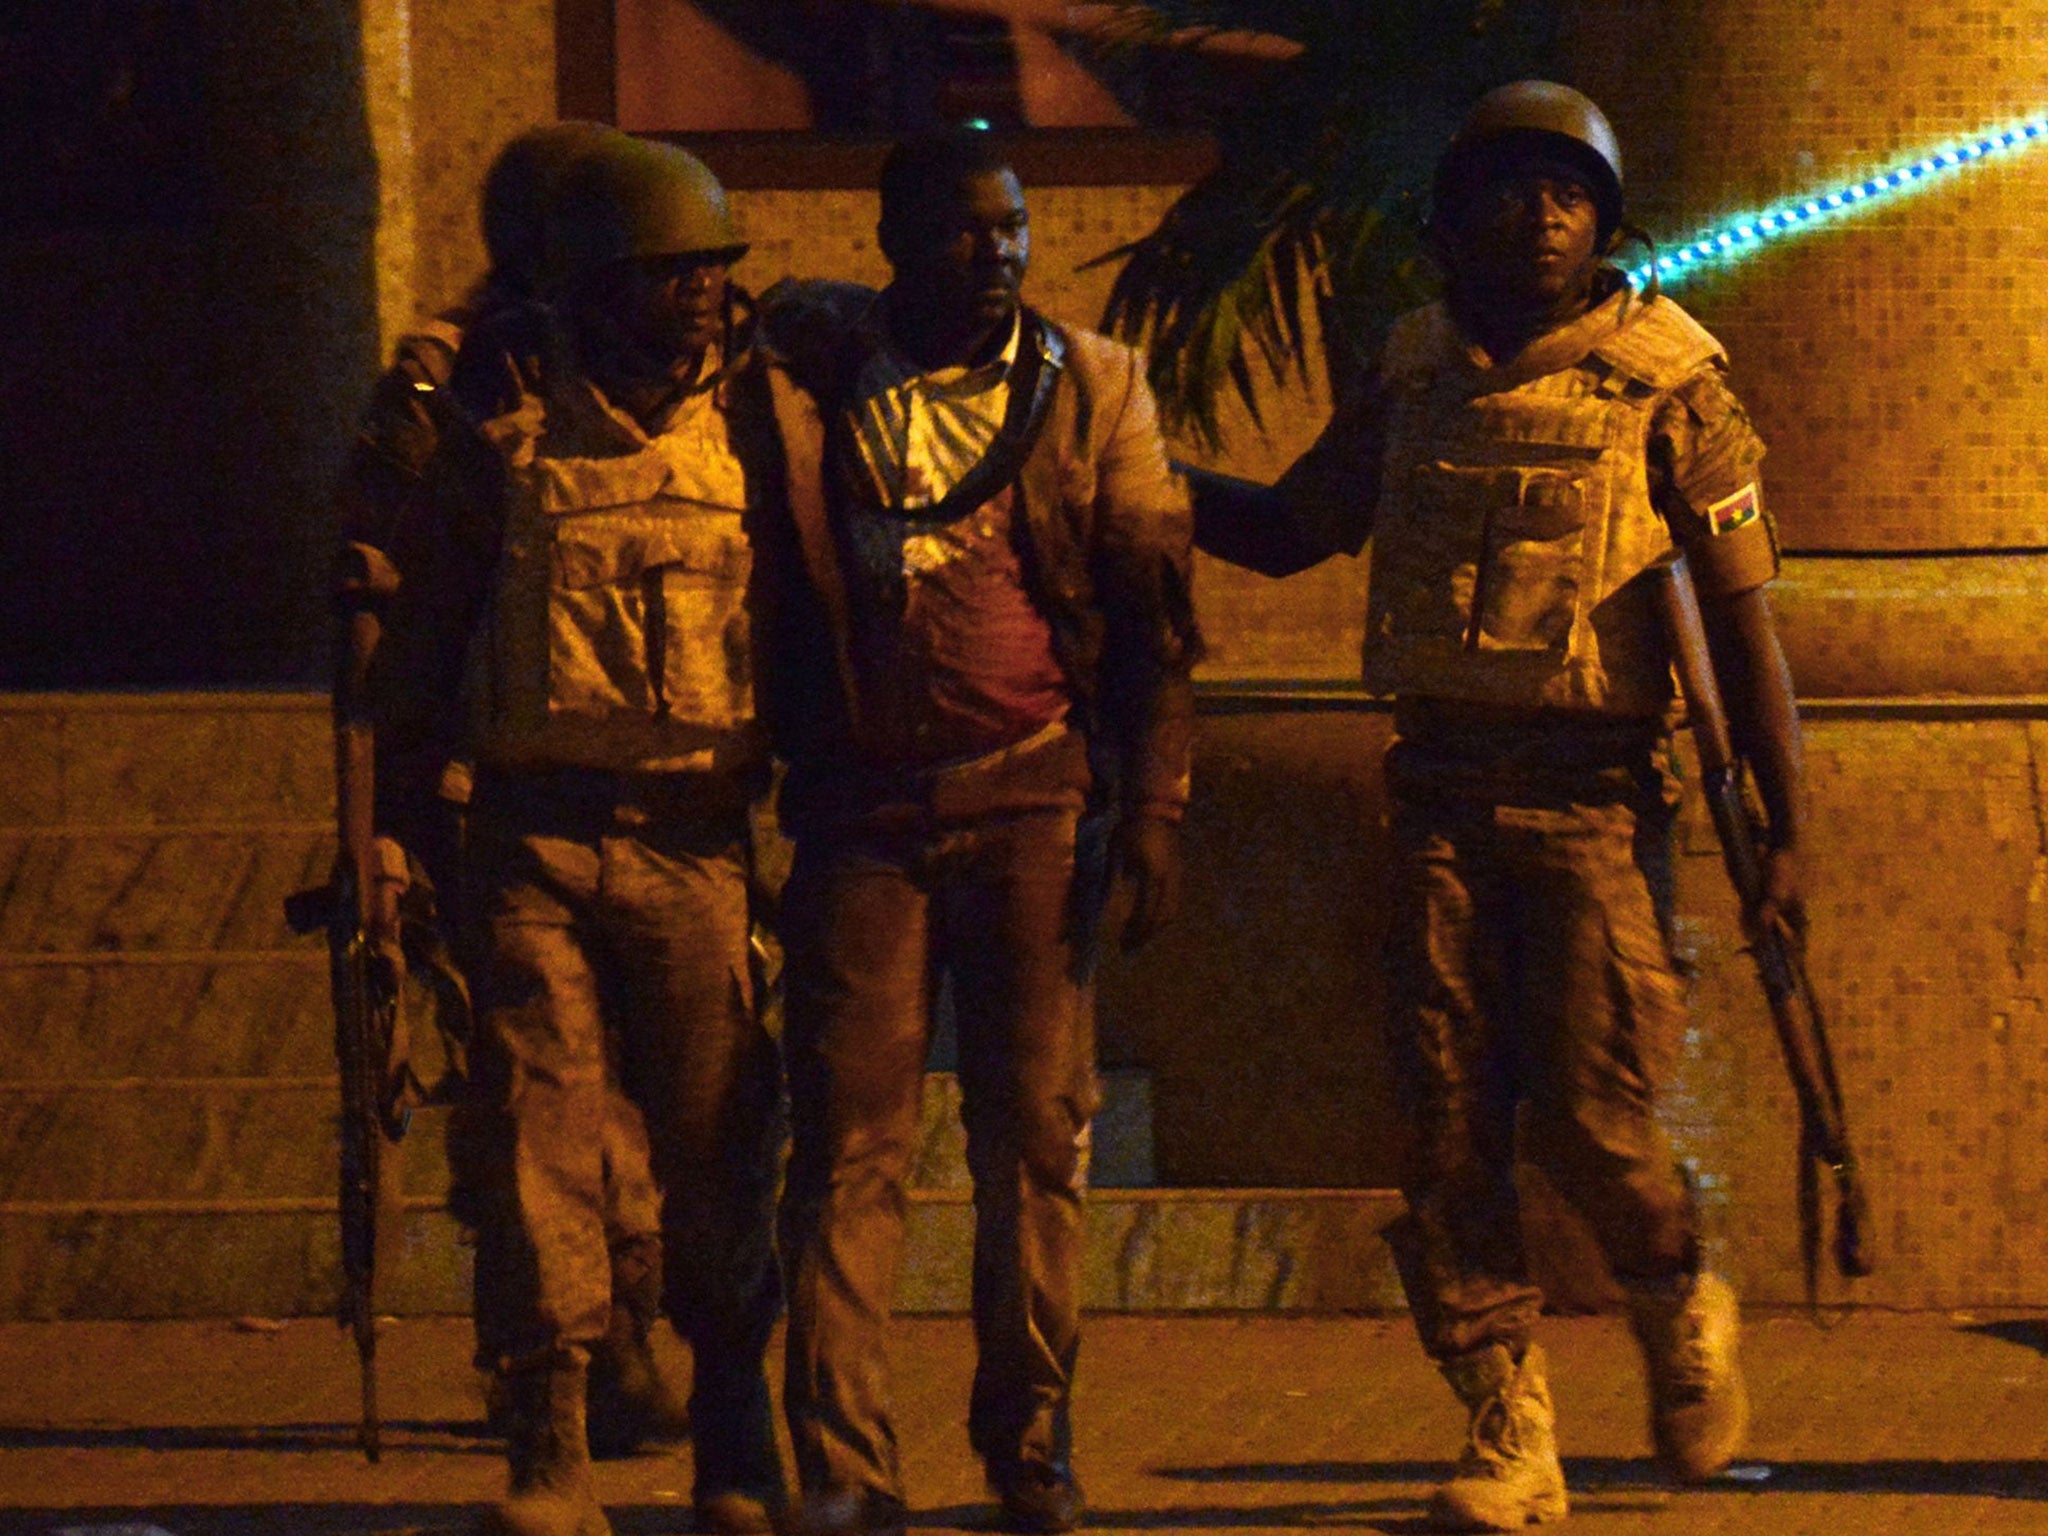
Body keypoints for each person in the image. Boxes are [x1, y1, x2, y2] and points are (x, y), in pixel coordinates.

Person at [1185, 81, 1801, 1532]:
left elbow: (1748, 625)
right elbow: (1289, 530)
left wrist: (1786, 836)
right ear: (1452, 221)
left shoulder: (1672, 388)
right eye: (1509, 193)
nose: (1539, 218)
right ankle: (1508, 1427)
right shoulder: (1411, 378)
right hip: (1437, 799)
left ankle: (1672, 1283)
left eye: (1567, 195)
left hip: (1593, 808)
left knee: (1596, 1118)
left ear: (1606, 221)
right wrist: (1137, 470)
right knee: (1447, 1126)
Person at [341, 131, 806, 1536]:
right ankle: (547, 1445)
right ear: (596, 288)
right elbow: (420, 658)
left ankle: (734, 1437)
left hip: (699, 842)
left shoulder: (765, 437)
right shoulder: (502, 450)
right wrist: (393, 839)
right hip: (533, 844)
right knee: (540, 1141)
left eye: (714, 274)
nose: (700, 301)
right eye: (667, 277)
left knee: (721, 1147)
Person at [754, 127, 1201, 1536]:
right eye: (964, 230)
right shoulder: (810, 380)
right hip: (862, 819)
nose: (998, 251)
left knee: (1035, 1142)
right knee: (847, 1144)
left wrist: (1157, 807)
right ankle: (840, 1464)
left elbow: (1152, 613)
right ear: (896, 242)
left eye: (1011, 227)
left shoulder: (1091, 386)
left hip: (1032, 803)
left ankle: (1028, 1443)